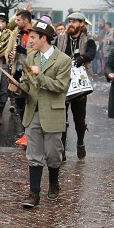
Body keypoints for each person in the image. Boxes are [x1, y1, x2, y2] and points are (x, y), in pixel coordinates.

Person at [11, 19, 70, 207]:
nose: (30, 40)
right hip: (33, 110)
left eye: (34, 37)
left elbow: (61, 87)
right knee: (34, 154)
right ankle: (34, 194)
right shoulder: (31, 57)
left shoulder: (63, 60)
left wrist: (40, 75)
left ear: (44, 38)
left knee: (53, 154)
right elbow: (29, 85)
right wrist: (18, 87)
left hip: (53, 112)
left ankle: (53, 182)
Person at [56, 12, 96, 158]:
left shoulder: (88, 40)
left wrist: (83, 57)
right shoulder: (60, 39)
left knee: (79, 119)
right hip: (62, 83)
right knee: (61, 118)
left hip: (80, 85)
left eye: (74, 21)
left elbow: (92, 53)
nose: (70, 24)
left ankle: (80, 142)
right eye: (69, 21)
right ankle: (62, 150)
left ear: (81, 24)